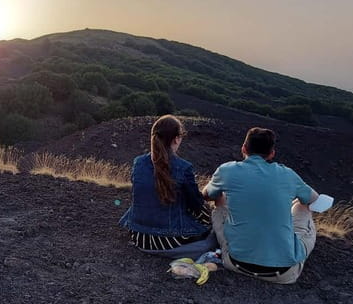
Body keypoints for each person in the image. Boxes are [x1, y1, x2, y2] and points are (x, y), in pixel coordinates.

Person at [203, 127, 319, 284]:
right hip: (284, 273)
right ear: (272, 153)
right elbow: (314, 200)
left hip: (235, 263)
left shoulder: (227, 170)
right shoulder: (287, 174)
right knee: (302, 205)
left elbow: (207, 195)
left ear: (243, 148)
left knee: (219, 199)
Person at [119, 115, 217, 259]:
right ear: (176, 139)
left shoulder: (138, 163)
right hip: (167, 240)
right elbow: (196, 205)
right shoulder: (183, 168)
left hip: (138, 236)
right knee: (212, 235)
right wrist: (210, 218)